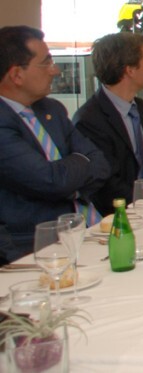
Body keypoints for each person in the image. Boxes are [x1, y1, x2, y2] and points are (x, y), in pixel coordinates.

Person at [0, 26, 110, 262]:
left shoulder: (52, 110)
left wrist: (69, 178)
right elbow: (51, 181)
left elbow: (101, 163)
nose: (56, 70)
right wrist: (80, 164)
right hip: (38, 248)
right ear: (17, 75)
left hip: (91, 228)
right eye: (46, 63)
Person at [74, 32, 143, 215]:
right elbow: (108, 185)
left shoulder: (140, 107)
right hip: (127, 213)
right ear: (130, 70)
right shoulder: (90, 120)